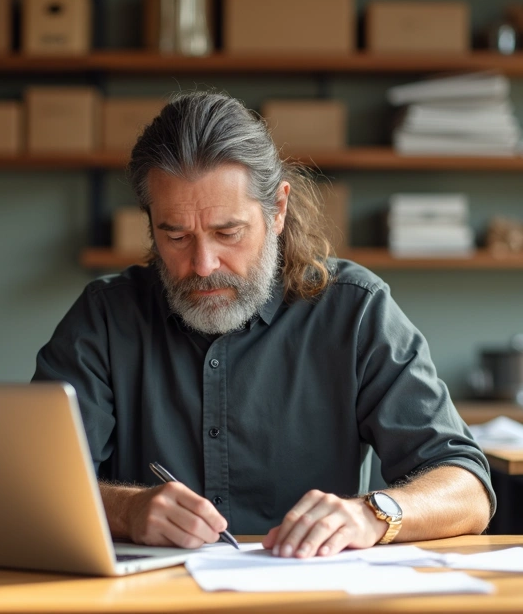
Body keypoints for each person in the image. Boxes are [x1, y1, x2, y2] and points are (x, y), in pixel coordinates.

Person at [34, 92, 493, 558]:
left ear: (277, 210)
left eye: (227, 233)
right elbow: (33, 485)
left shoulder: (355, 311)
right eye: (175, 235)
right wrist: (125, 510)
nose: (203, 264)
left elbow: (467, 487)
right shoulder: (105, 317)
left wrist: (372, 514)